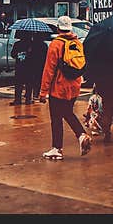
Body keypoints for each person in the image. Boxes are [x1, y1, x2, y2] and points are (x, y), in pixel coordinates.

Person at [38, 16, 92, 160]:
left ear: (58, 28)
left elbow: (49, 70)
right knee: (67, 112)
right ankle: (81, 135)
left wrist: (43, 92)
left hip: (59, 87)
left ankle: (57, 148)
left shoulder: (55, 45)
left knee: (56, 118)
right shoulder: (77, 43)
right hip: (74, 86)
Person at [10, 31, 34, 106]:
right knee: (29, 84)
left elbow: (13, 55)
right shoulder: (32, 44)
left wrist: (19, 55)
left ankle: (18, 99)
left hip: (19, 67)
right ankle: (28, 99)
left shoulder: (17, 44)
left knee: (18, 84)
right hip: (29, 67)